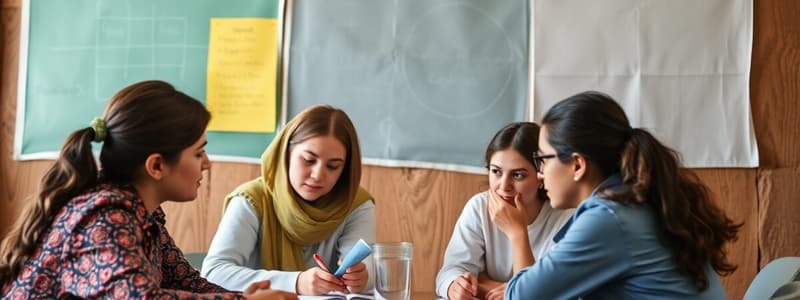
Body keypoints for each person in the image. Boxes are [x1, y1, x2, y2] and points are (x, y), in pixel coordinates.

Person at [0, 80, 296, 299]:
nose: (206, 164)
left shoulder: (143, 214)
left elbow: (188, 283)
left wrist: (244, 297)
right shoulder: (104, 216)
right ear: (156, 166)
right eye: (198, 153)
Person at [504, 91, 742, 299]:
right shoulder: (634, 200)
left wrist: (517, 234)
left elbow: (522, 297)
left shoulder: (609, 217)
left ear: (577, 165)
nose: (540, 173)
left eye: (543, 159)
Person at [202, 105, 375, 296]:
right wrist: (295, 282)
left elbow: (366, 269)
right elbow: (213, 273)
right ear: (286, 154)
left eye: (333, 166)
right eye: (309, 160)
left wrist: (362, 278)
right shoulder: (251, 200)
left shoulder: (356, 203)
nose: (318, 175)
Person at [435, 122, 573, 300]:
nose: (504, 186)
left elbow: (534, 295)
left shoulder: (565, 219)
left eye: (518, 175)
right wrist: (454, 285)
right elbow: (451, 270)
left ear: (541, 176)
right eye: (496, 172)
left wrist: (517, 232)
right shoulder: (478, 207)